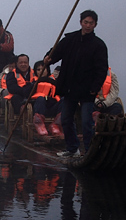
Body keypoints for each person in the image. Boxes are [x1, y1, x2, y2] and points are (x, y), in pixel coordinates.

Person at [43, 9, 108, 158]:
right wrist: (48, 58)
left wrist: (95, 88)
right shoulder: (70, 39)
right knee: (65, 119)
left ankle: (90, 152)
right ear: (81, 23)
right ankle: (73, 149)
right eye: (85, 22)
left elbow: (101, 69)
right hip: (69, 87)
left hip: (87, 90)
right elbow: (55, 52)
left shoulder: (99, 45)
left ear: (95, 25)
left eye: (91, 23)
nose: (88, 25)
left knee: (86, 123)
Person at [31, 61, 63, 137]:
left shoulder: (54, 82)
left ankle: (56, 124)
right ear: (35, 72)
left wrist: (49, 81)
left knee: (64, 100)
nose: (41, 71)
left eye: (43, 69)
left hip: (52, 108)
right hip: (39, 109)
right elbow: (26, 93)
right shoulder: (32, 83)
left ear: (47, 70)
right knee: (40, 99)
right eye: (38, 70)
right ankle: (39, 124)